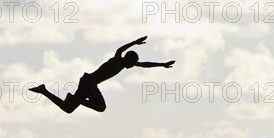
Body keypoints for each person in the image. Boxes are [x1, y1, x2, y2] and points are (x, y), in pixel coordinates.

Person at [29, 36, 175, 113]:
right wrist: (134, 42)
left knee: (68, 109)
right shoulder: (118, 60)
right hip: (89, 81)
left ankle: (44, 90)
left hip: (87, 81)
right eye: (133, 62)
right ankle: (72, 97)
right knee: (101, 107)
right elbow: (120, 49)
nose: (132, 66)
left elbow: (145, 65)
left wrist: (162, 65)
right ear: (128, 59)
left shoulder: (124, 64)